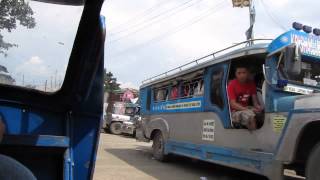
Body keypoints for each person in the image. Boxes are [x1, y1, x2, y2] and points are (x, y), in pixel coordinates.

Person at [227, 65, 263, 130]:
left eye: (244, 72)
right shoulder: (231, 85)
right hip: (234, 111)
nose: (242, 75)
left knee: (263, 114)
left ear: (248, 73)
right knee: (250, 117)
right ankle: (255, 138)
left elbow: (255, 101)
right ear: (235, 74)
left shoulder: (251, 84)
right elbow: (233, 104)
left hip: (246, 108)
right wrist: (247, 110)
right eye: (239, 73)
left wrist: (258, 107)